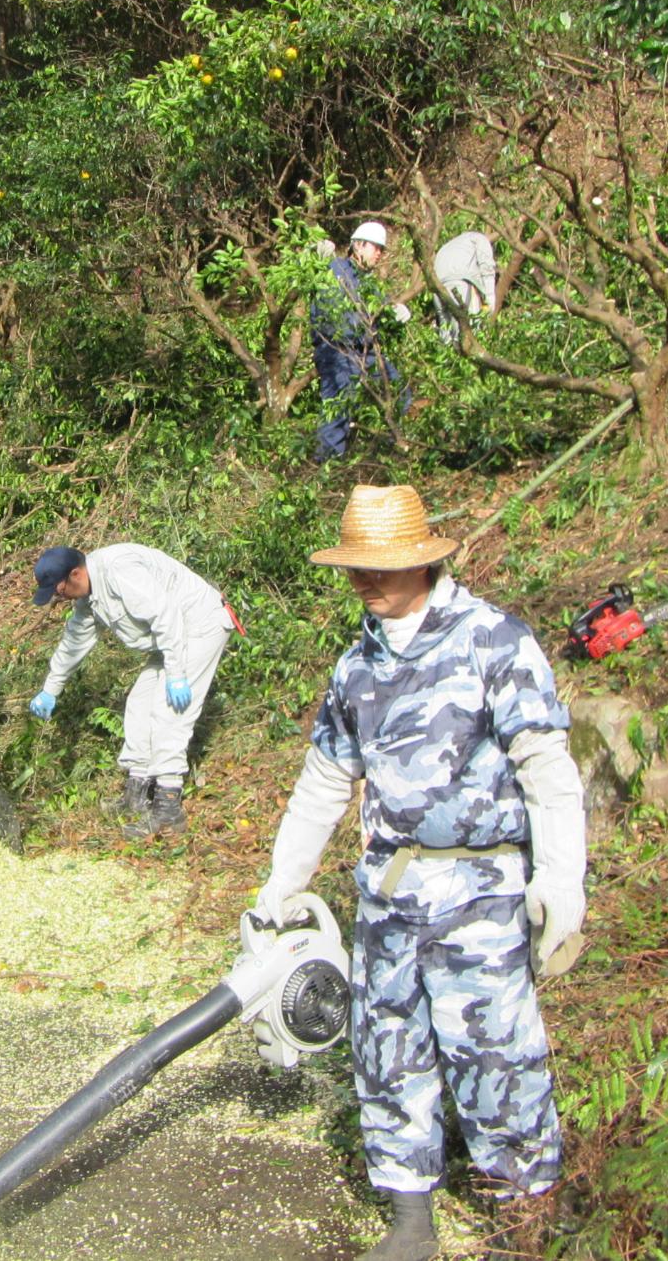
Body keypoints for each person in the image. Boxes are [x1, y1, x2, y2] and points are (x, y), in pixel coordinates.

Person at [247, 484, 586, 1261]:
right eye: (357, 567)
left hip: (480, 889)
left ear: (425, 560)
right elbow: (325, 781)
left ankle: (523, 1213)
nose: (368, 581)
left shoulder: (493, 641)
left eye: (383, 566)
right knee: (387, 1046)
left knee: (497, 1048)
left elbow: (547, 768)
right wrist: (282, 883)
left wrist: (562, 878)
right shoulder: (354, 669)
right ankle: (410, 1220)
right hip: (390, 889)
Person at [27, 543, 236, 839]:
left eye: (59, 589)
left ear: (75, 573)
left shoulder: (119, 571)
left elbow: (165, 615)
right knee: (139, 704)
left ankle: (167, 809)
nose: (58, 597)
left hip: (199, 627)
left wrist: (176, 675)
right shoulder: (89, 598)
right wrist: (50, 689)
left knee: (170, 712)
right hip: (171, 637)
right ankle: (137, 793)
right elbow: (74, 643)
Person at [310, 221, 411, 463]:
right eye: (375, 247)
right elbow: (307, 268)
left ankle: (392, 452)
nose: (379, 253)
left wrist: (395, 314)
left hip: (366, 353)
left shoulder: (371, 285)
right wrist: (315, 254)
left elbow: (382, 315)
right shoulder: (334, 268)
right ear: (358, 246)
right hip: (336, 351)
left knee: (399, 392)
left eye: (381, 249)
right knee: (338, 410)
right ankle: (326, 468)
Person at [429, 230, 496, 345]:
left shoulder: (448, 246)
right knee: (471, 330)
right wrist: (490, 299)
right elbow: (487, 269)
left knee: (446, 333)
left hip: (438, 289)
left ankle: (448, 359)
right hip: (460, 284)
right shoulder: (480, 239)